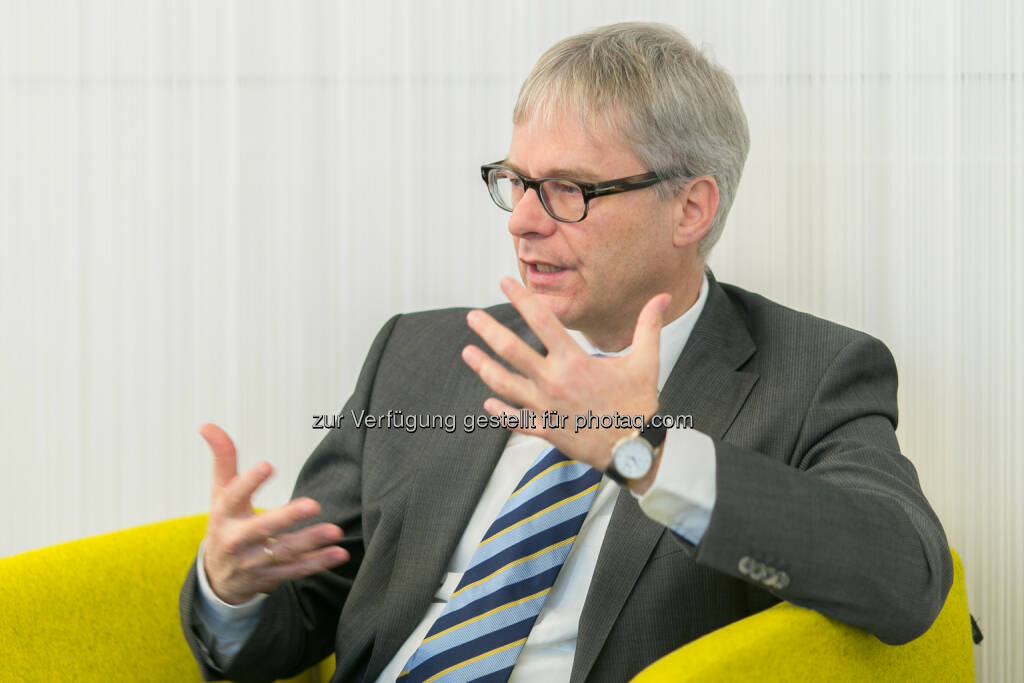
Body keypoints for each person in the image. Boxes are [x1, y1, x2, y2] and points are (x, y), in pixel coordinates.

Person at [180, 22, 952, 683]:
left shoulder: (811, 374)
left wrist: (643, 451)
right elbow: (309, 608)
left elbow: (906, 581)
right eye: (515, 181)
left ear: (690, 207)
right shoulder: (420, 353)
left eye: (568, 190)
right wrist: (232, 588)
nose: (521, 221)